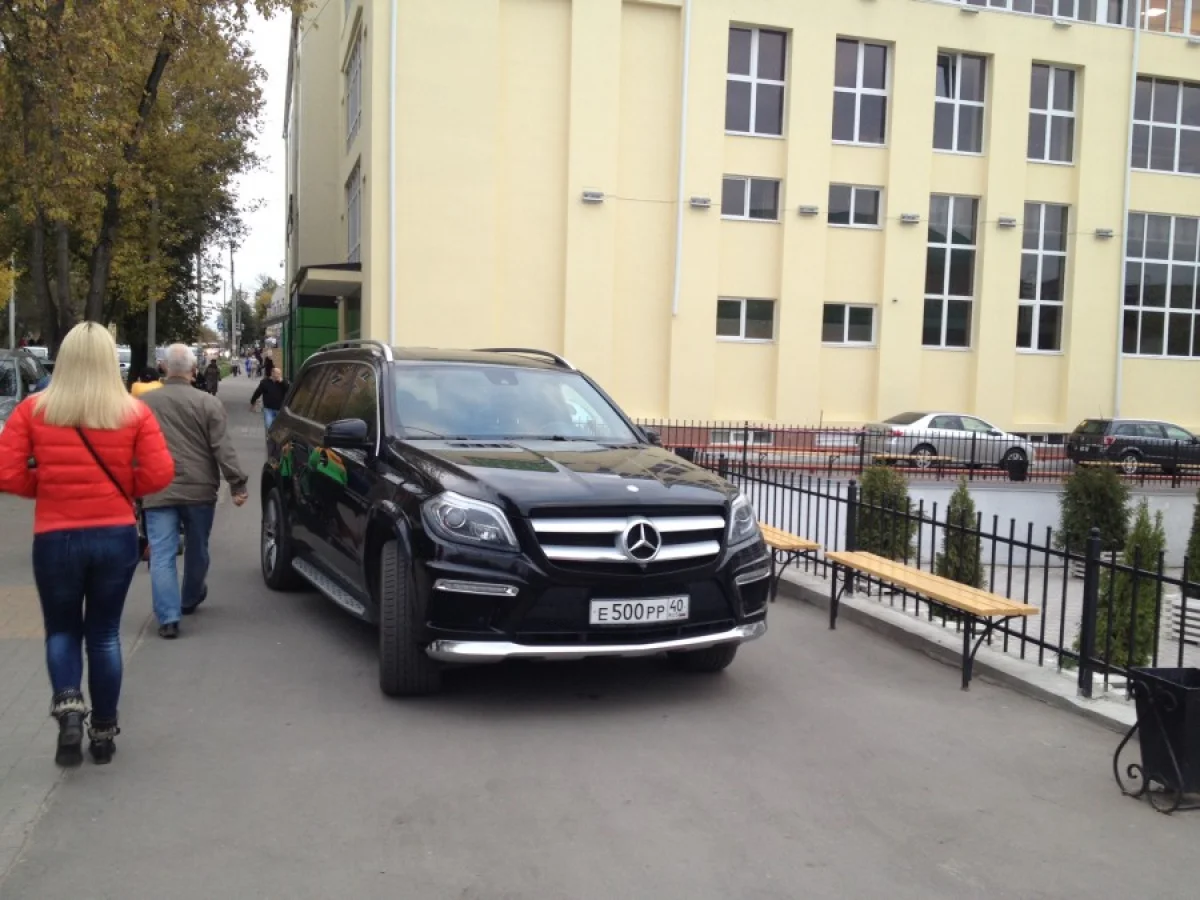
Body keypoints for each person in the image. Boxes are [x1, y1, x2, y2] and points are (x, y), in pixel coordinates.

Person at [0, 322, 174, 766]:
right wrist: (122, 488)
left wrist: (46, 487)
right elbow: (160, 474)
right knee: (104, 634)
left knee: (61, 629)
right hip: (114, 536)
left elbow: (7, 472)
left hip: (55, 537)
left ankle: (69, 707)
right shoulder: (134, 413)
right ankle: (103, 732)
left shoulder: (34, 410)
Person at [141, 345, 248, 639]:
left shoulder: (143, 404)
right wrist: (237, 483)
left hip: (157, 488)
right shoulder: (208, 403)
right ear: (193, 370)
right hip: (200, 490)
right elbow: (222, 447)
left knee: (161, 554)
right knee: (197, 547)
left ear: (164, 368)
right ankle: (189, 598)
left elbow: (131, 447)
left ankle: (168, 618)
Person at [251, 366, 289, 432]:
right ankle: (269, 436)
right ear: (272, 373)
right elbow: (258, 392)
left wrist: (282, 382)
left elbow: (289, 389)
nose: (279, 375)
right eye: (277, 373)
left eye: (279, 374)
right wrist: (253, 401)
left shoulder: (283, 382)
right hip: (268, 409)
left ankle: (275, 437)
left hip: (280, 409)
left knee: (279, 428)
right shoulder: (265, 382)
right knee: (269, 425)